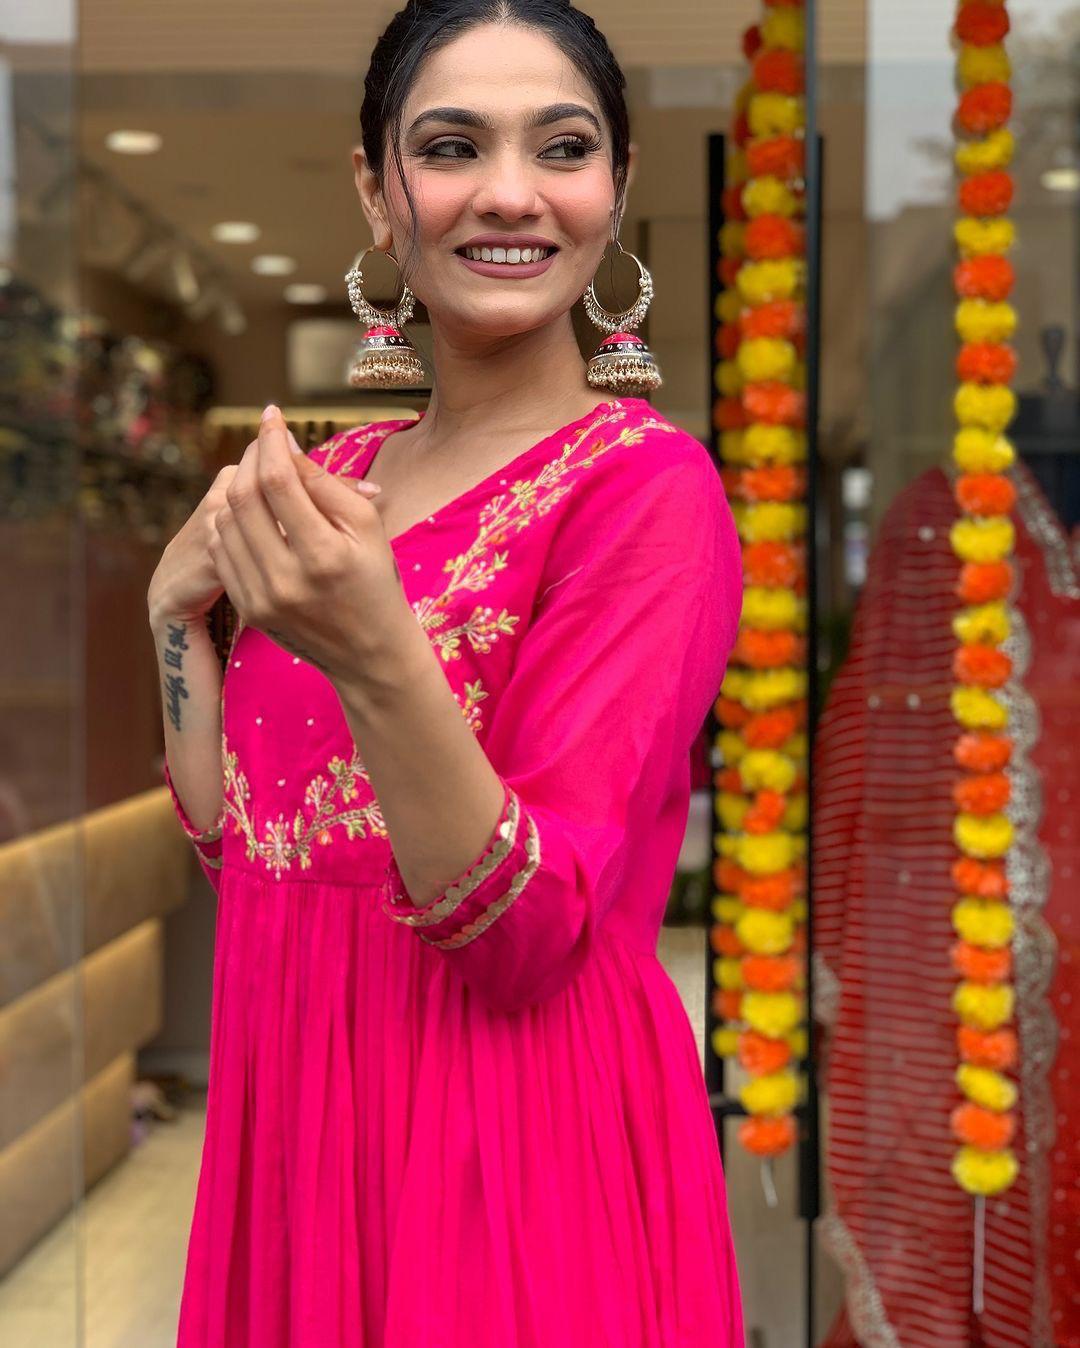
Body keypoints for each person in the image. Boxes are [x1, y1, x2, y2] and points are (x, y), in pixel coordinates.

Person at [147, 2, 745, 1343]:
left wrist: (372, 650)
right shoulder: (334, 483)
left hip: (507, 1138)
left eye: (564, 146)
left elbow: (524, 929)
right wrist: (171, 623)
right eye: (453, 146)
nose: (511, 193)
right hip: (297, 1111)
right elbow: (254, 848)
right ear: (377, 191)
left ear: (618, 186)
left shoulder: (645, 490)